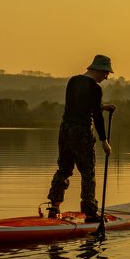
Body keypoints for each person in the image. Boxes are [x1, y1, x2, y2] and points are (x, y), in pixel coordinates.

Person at [47, 54, 116, 222]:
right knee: (88, 172)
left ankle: (54, 207)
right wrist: (104, 141)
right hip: (82, 132)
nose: (106, 77)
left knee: (64, 169)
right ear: (98, 69)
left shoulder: (73, 81)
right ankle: (90, 212)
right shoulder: (95, 88)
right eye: (105, 73)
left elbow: (81, 104)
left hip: (65, 130)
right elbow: (96, 116)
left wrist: (102, 106)